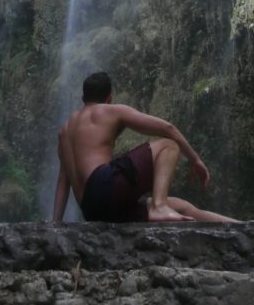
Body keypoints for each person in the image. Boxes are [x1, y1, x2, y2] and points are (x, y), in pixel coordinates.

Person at [52, 71, 237, 223]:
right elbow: (167, 128)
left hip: (92, 210)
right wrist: (195, 160)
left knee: (181, 207)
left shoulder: (65, 131)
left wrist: (56, 224)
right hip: (105, 187)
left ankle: (238, 226)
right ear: (109, 98)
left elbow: (63, 181)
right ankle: (159, 206)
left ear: (83, 97)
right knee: (169, 145)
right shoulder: (110, 111)